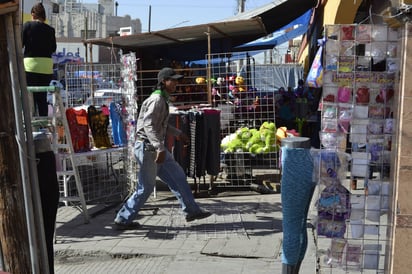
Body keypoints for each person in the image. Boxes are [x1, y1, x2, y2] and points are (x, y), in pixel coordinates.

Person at [114, 67, 212, 230]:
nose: (175, 83)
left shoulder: (162, 99)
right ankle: (123, 219)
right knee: (145, 188)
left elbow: (161, 125)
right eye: (172, 80)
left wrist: (178, 133)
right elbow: (149, 125)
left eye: (175, 80)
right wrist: (159, 148)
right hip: (149, 148)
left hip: (154, 148)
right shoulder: (157, 100)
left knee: (178, 176)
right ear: (163, 82)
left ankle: (192, 210)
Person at [22, 2, 57, 116]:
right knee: (42, 97)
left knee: (30, 97)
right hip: (46, 68)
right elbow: (53, 48)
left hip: (30, 66)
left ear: (33, 14)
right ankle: (43, 125)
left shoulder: (27, 26)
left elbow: (20, 44)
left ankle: (31, 123)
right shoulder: (50, 30)